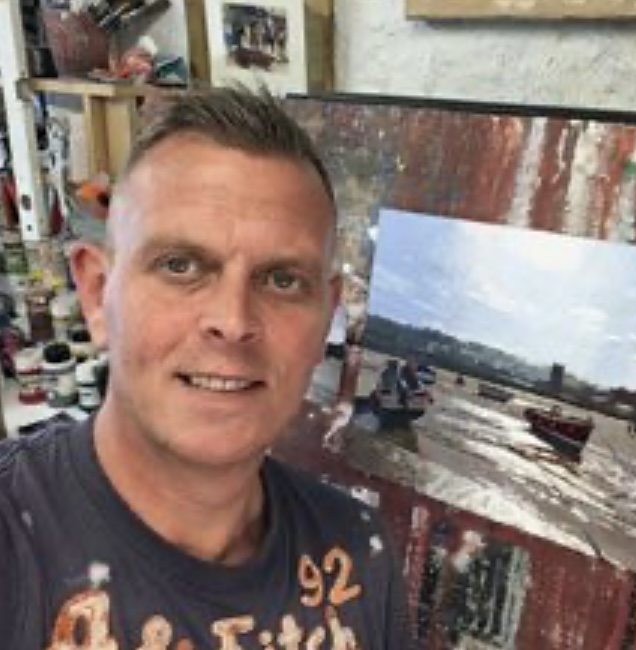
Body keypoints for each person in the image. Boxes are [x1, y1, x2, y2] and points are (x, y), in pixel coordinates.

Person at [0, 87, 412, 648]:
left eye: (282, 280)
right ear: (97, 295)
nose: (233, 321)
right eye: (180, 266)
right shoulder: (15, 545)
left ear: (327, 319)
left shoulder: (360, 553)